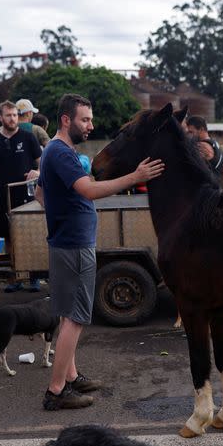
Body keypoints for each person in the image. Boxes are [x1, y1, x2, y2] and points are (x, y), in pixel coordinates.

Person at [35, 93, 164, 410]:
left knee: (68, 315)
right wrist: (136, 177)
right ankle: (56, 391)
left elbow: (40, 192)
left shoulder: (56, 151)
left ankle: (71, 375)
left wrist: (62, 212)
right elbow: (90, 190)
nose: (91, 125)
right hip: (75, 246)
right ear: (67, 120)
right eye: (85, 119)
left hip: (66, 241)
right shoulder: (61, 152)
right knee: (77, 318)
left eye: (90, 119)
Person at [0, 100, 42, 292]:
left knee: (30, 236)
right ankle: (15, 276)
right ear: (0, 118)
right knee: (9, 237)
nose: (13, 118)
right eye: (8, 115)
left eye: (15, 115)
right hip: (2, 195)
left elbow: (43, 163)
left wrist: (38, 172)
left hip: (27, 196)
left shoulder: (28, 137)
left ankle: (34, 277)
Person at [185, 115, 222, 185]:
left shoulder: (202, 146)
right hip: (215, 186)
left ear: (201, 129)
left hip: (208, 190)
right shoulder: (215, 142)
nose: (189, 135)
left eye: (191, 132)